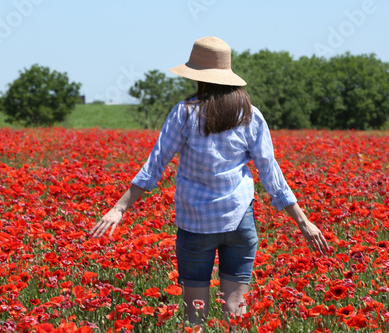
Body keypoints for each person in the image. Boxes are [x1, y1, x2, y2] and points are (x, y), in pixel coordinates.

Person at [88, 36, 329, 328]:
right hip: (239, 222)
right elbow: (270, 173)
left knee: (195, 316)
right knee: (235, 313)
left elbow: (155, 165)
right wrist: (303, 221)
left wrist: (120, 208)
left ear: (198, 78)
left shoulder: (185, 112)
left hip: (195, 226)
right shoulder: (250, 115)